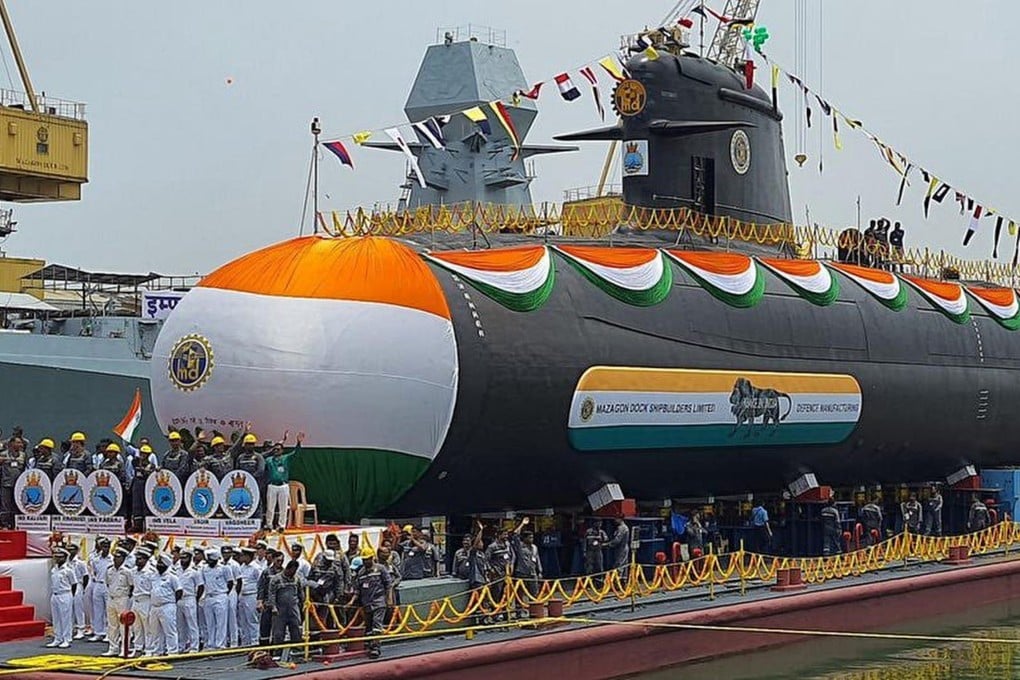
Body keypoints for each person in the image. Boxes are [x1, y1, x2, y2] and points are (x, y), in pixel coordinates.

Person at [352, 546, 393, 659]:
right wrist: (351, 601)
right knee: (369, 626)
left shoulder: (380, 569)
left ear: (372, 558)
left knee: (377, 624)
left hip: (379, 601)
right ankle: (370, 644)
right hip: (367, 603)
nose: (366, 562)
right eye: (364, 560)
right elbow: (357, 590)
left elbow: (388, 584)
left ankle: (376, 647)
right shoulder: (361, 572)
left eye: (367, 559)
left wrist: (389, 599)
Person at [265, 432, 304, 532]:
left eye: (278, 449)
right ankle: (269, 525)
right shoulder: (269, 460)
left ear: (282, 451)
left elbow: (296, 453)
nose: (276, 451)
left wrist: (298, 443)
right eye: (275, 449)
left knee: (283, 507)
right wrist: (282, 440)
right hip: (272, 486)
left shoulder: (286, 458)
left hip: (283, 486)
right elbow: (263, 455)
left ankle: (281, 526)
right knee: (270, 507)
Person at [269, 559, 305, 661]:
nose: (293, 573)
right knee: (278, 632)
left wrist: (302, 605)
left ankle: (297, 651)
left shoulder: (297, 579)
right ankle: (277, 652)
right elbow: (271, 594)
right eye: (292, 570)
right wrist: (273, 607)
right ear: (288, 569)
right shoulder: (276, 579)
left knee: (296, 630)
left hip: (293, 608)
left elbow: (300, 593)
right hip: (280, 609)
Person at [102, 547, 133, 657]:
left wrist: (126, 596)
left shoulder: (127, 571)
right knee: (112, 625)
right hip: (111, 598)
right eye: (114, 557)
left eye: (118, 557)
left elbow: (131, 586)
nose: (115, 559)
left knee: (124, 626)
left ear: (123, 558)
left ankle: (125, 649)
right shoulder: (109, 570)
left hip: (122, 599)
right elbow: (107, 583)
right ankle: (113, 648)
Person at [149, 554, 181, 656]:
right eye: (158, 563)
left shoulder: (172, 577)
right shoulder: (153, 576)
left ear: (166, 565)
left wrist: (172, 602)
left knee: (169, 630)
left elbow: (179, 591)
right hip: (155, 606)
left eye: (161, 563)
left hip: (167, 606)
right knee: (155, 631)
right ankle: (158, 651)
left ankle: (172, 651)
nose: (159, 565)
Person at [201, 547, 233, 650]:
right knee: (210, 622)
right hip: (209, 596)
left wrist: (224, 593)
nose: (209, 561)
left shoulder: (224, 568)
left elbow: (230, 582)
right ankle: (211, 643)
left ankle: (220, 644)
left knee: (221, 622)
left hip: (220, 596)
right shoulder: (204, 569)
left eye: (211, 559)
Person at [47, 546, 76, 648]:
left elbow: (74, 584)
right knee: (56, 618)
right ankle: (57, 638)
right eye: (56, 557)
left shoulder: (68, 570)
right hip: (55, 594)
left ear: (65, 558)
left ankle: (67, 638)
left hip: (65, 594)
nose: (58, 559)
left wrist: (70, 595)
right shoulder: (53, 569)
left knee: (66, 618)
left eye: (60, 557)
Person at [233, 434, 266, 522]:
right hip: (243, 485)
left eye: (252, 444)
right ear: (244, 445)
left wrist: (250, 479)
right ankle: (244, 520)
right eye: (248, 444)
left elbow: (261, 470)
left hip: (256, 484)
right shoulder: (240, 457)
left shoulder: (258, 457)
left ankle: (258, 521)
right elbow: (237, 470)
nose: (250, 446)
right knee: (244, 501)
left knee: (256, 502)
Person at [130, 548, 156, 656]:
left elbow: (153, 589)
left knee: (148, 627)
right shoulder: (134, 571)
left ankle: (149, 648)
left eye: (140, 559)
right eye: (137, 558)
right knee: (137, 627)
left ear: (146, 559)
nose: (137, 561)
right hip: (136, 600)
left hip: (146, 600)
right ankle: (138, 647)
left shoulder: (150, 572)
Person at [510, 518, 542, 606]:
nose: (532, 539)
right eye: (530, 537)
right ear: (524, 538)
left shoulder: (534, 547)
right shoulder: (520, 546)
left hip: (532, 573)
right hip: (521, 573)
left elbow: (537, 559)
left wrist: (540, 571)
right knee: (520, 593)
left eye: (532, 537)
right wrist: (522, 524)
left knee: (534, 592)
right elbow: (515, 535)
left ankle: (534, 608)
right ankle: (519, 610)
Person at [175, 549, 201, 653]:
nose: (182, 560)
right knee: (180, 625)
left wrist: (196, 599)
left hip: (189, 598)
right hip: (179, 599)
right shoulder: (177, 570)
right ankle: (181, 645)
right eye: (181, 558)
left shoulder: (194, 571)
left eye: (185, 558)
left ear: (190, 558)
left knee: (192, 624)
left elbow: (200, 586)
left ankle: (194, 647)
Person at [236, 547, 263, 647]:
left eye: (243, 555)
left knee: (252, 620)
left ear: (248, 556)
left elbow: (261, 584)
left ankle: (254, 641)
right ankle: (246, 642)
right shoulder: (242, 567)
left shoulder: (256, 568)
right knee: (243, 621)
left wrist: (260, 599)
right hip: (242, 595)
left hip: (252, 595)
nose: (241, 557)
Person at [257, 549, 283, 646]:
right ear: (273, 559)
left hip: (279, 604)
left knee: (278, 629)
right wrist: (260, 601)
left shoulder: (284, 573)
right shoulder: (267, 572)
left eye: (282, 561)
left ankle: (276, 649)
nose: (280, 563)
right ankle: (264, 648)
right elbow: (261, 587)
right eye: (278, 560)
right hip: (267, 603)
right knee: (265, 627)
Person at [88, 537, 112, 642]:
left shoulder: (112, 559)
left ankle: (108, 633)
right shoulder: (96, 560)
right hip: (98, 584)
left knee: (108, 610)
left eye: (107, 546)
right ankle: (98, 632)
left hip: (108, 585)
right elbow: (94, 572)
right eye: (104, 546)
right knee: (97, 610)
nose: (105, 549)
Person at [129, 446, 157, 532]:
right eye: (142, 453)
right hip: (136, 484)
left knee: (145, 505)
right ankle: (137, 525)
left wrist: (143, 468)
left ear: (148, 455)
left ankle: (147, 525)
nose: (143, 455)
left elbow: (148, 474)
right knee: (136, 504)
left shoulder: (151, 465)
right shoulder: (136, 462)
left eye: (145, 454)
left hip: (146, 485)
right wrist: (140, 461)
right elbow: (133, 461)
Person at [0, 437, 26, 528]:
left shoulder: (23, 455)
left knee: (16, 505)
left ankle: (14, 524)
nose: (20, 445)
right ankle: (4, 524)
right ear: (11, 444)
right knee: (5, 505)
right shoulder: (3, 454)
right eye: (18, 442)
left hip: (18, 485)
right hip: (6, 484)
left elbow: (24, 469)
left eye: (21, 443)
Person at [67, 543, 89, 640]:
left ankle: (81, 628)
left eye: (72, 549)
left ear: (76, 551)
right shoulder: (66, 562)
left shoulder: (80, 563)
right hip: (67, 586)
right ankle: (70, 627)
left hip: (78, 584)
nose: (70, 551)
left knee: (78, 607)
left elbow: (86, 576)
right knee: (69, 607)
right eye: (68, 549)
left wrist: (83, 588)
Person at [221, 545, 241, 648]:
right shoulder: (220, 563)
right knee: (223, 617)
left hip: (232, 590)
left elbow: (239, 581)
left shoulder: (234, 564)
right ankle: (225, 640)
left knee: (232, 617)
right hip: (222, 591)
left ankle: (234, 641)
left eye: (228, 553)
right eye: (224, 553)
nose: (226, 555)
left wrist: (236, 594)